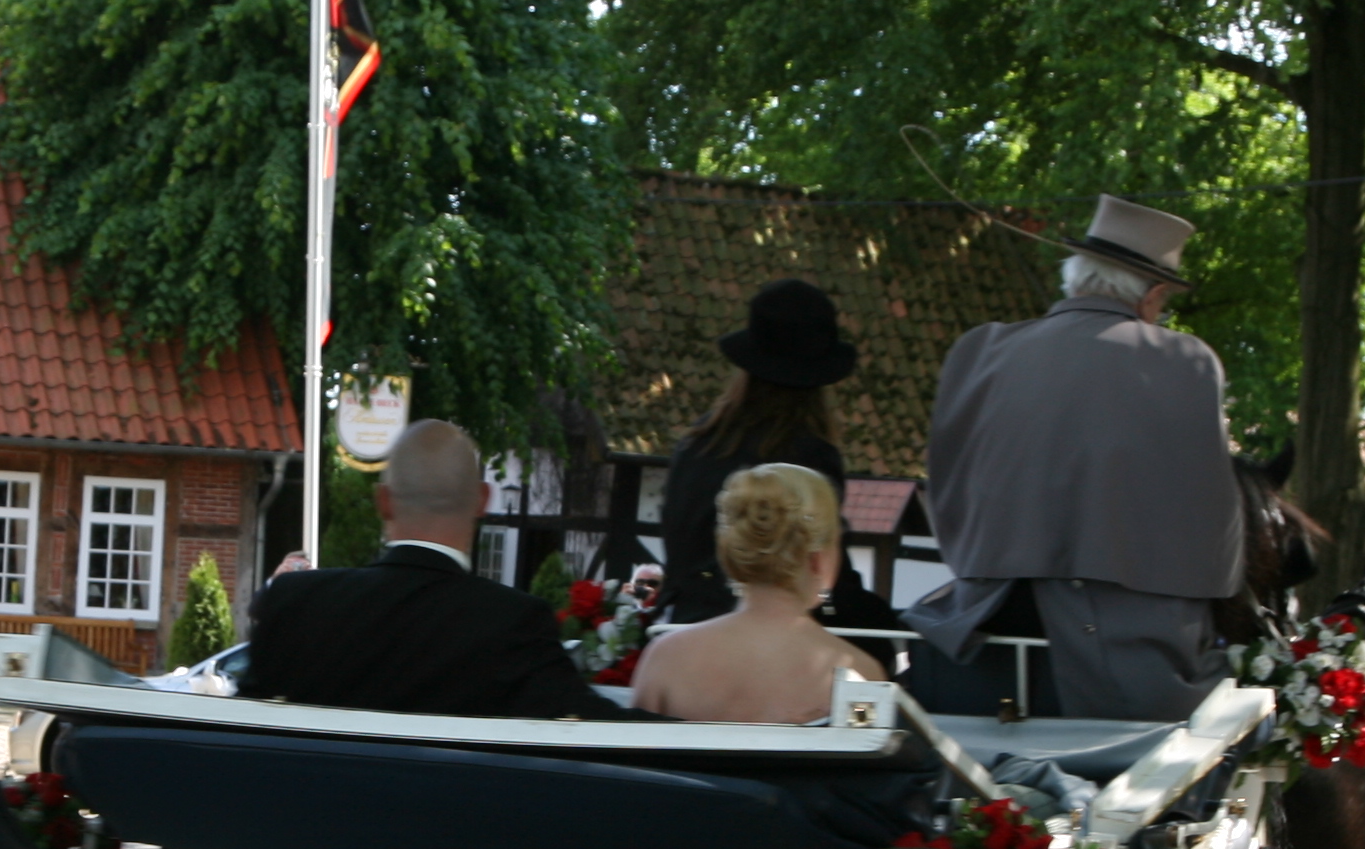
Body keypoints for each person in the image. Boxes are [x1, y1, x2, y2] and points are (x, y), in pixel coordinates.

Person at [912, 196, 1244, 723]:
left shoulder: (981, 350)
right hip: (1128, 667)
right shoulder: (1186, 362)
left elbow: (945, 486)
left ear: (1075, 276)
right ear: (1153, 295)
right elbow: (1210, 525)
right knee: (1240, 713)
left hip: (974, 640)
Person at [243, 420, 613, 721]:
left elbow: (241, 727)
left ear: (384, 502)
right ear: (482, 500)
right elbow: (593, 728)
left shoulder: (293, 602)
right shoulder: (514, 623)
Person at [657, 281, 884, 630]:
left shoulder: (697, 442)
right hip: (759, 633)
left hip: (679, 625)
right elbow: (820, 567)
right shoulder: (808, 455)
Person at [632, 465, 888, 726]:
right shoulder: (860, 674)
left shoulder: (665, 658)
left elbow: (635, 761)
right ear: (817, 559)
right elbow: (868, 759)